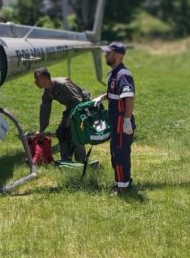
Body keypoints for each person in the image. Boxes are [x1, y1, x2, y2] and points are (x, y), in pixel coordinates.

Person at [95, 42, 136, 194]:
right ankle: (121, 182)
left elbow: (129, 98)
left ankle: (123, 188)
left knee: (120, 154)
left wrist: (126, 120)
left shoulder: (122, 75)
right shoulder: (114, 73)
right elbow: (117, 94)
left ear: (118, 55)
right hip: (116, 121)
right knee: (116, 152)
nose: (106, 55)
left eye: (108, 53)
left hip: (121, 122)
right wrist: (104, 97)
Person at [33, 67, 89, 162]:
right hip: (71, 107)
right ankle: (65, 160)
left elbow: (78, 101)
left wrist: (71, 118)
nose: (36, 81)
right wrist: (41, 129)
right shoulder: (47, 91)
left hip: (82, 106)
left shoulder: (63, 84)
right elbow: (45, 111)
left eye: (38, 79)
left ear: (45, 78)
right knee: (61, 133)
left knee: (75, 133)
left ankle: (81, 161)